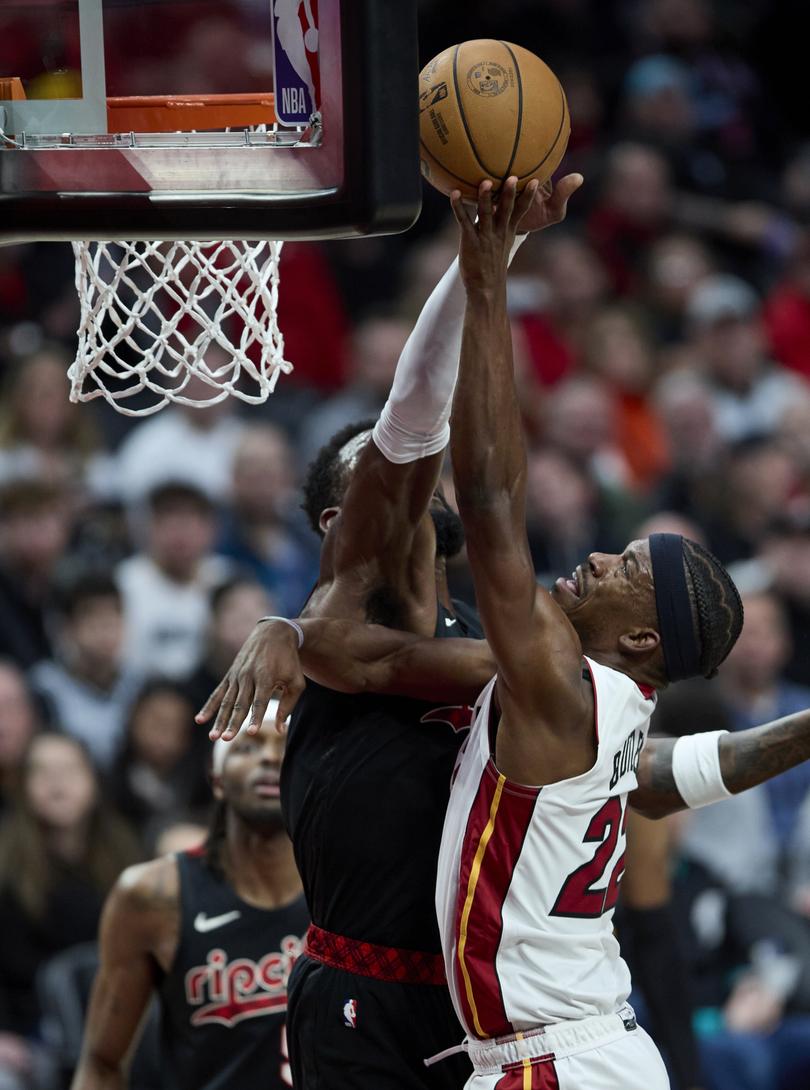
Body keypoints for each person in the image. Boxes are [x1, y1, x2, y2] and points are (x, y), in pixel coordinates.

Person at [204, 179, 810, 1090]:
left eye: (627, 568)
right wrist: (284, 625)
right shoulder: (572, 690)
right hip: (446, 1016)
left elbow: (485, 490)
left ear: (643, 639)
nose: (600, 558)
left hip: (535, 1051)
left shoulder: (545, 675)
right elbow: (660, 774)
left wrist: (489, 272)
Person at [199, 178, 582, 1090]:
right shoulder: (350, 614)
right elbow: (415, 411)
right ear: (342, 520)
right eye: (380, 478)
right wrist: (489, 256)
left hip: (480, 994)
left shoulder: (492, 627)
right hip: (361, 992)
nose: (418, 482)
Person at [71, 724, 306, 1090]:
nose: (271, 758)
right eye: (248, 749)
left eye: (286, 747)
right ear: (216, 779)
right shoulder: (152, 895)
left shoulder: (348, 880)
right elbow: (101, 1064)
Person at [0, 733, 139, 1088]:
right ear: (23, 786)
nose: (57, 783)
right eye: (42, 772)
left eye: (69, 770)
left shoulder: (128, 854)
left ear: (93, 780)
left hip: (120, 1028)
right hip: (28, 1037)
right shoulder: (6, 866)